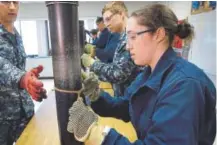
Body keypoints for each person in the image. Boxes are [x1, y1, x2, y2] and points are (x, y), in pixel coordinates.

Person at [67, 4, 216, 145]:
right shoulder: (148, 73)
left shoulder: (184, 86)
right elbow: (126, 106)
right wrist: (96, 96)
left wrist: (99, 135)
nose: (127, 45)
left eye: (133, 37)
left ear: (159, 34)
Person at [0, 2, 47, 145]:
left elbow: (14, 66)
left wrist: (29, 80)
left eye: (15, 2)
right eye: (6, 1)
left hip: (24, 111)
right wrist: (22, 78)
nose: (12, 7)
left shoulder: (16, 34)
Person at [81, 1, 141, 96]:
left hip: (132, 98)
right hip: (124, 96)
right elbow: (118, 66)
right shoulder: (122, 37)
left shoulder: (130, 37)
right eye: (104, 21)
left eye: (108, 19)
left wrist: (93, 64)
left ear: (121, 14)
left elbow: (118, 74)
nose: (106, 24)